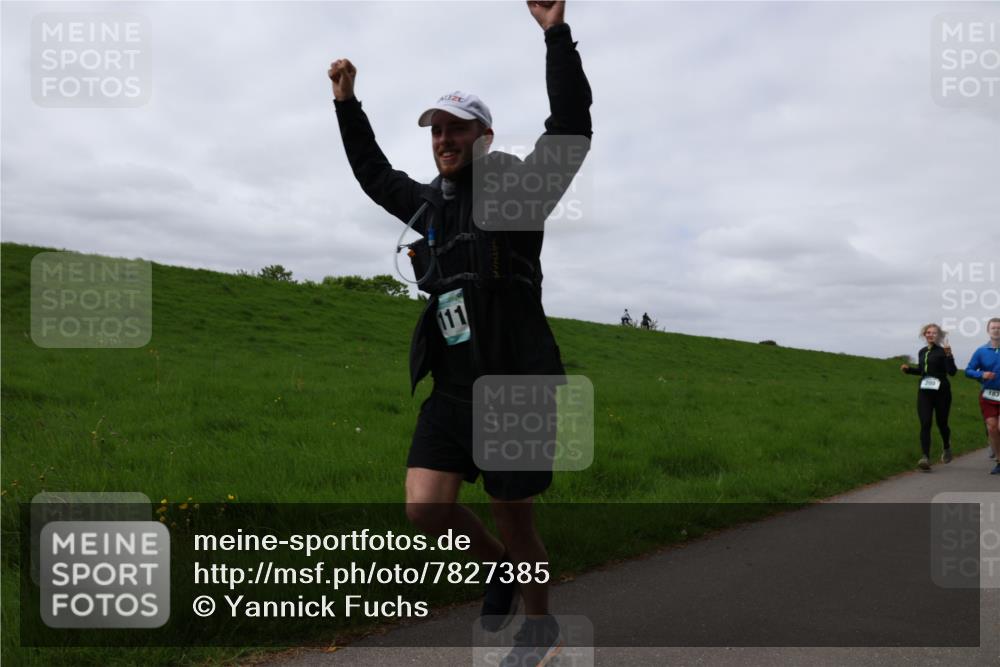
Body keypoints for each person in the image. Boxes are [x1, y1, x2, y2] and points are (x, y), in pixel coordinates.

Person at [329, 1, 591, 663]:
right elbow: (373, 174)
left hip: (513, 387)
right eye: (436, 130)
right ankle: (498, 567)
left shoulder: (519, 193)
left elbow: (570, 127)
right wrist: (346, 103)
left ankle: (541, 629)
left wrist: (555, 33)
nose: (443, 139)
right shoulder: (428, 206)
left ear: (484, 137)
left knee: (517, 520)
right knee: (423, 508)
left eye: (456, 129)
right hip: (452, 391)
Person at [900, 323, 957, 470]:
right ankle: (925, 457)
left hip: (942, 392)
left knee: (942, 423)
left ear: (939, 336)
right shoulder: (922, 351)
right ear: (924, 335)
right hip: (925, 392)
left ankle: (946, 446)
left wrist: (949, 355)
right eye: (928, 332)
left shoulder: (943, 351)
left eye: (934, 333)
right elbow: (922, 370)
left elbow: (952, 372)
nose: (931, 335)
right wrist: (908, 370)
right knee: (925, 423)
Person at [964, 317, 1000, 474]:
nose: (996, 330)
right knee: (992, 427)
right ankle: (999, 460)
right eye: (993, 328)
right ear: (988, 331)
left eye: (999, 328)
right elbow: (968, 370)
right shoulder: (981, 351)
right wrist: (981, 374)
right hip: (988, 396)